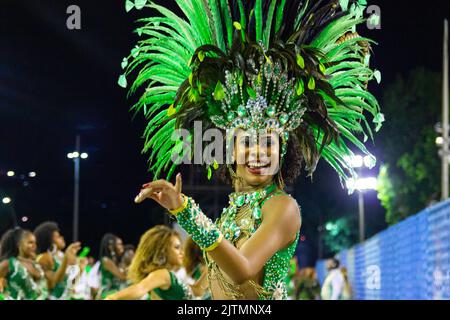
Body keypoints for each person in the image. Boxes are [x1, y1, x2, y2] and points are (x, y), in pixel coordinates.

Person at [123, 0, 382, 300]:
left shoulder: (283, 207)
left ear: (283, 151)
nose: (258, 152)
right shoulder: (231, 212)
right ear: (230, 149)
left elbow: (243, 268)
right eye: (246, 141)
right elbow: (206, 290)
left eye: (268, 142)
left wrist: (185, 211)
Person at [105, 225, 206, 300]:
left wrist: (212, 265)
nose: (182, 252)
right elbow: (140, 288)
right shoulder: (162, 274)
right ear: (162, 251)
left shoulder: (168, 275)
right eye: (176, 247)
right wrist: (112, 298)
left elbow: (197, 291)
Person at [34, 221, 81, 300]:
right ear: (49, 240)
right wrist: (66, 258)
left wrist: (80, 268)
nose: (62, 237)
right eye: (58, 236)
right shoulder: (44, 257)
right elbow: (55, 279)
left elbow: (70, 285)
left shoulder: (61, 256)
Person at [0, 228, 48, 300]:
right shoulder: (9, 263)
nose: (35, 246)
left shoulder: (37, 265)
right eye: (30, 242)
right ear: (19, 244)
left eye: (35, 242)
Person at [97, 233, 126, 299]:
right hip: (108, 294)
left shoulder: (115, 261)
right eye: (119, 244)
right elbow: (122, 276)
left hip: (115, 294)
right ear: (110, 247)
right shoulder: (106, 260)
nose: (122, 246)